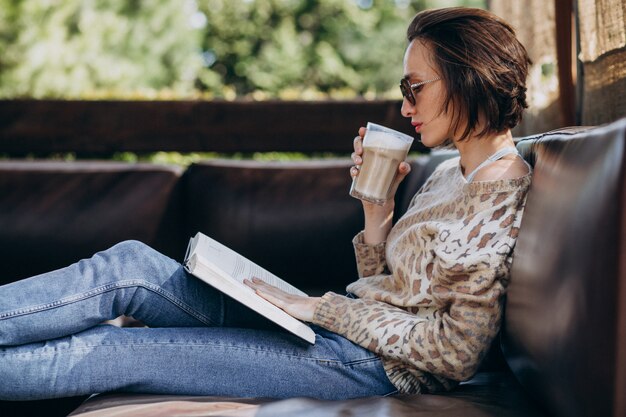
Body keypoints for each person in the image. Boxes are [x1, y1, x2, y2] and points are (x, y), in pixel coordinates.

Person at [0, 7, 532, 400]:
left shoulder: (499, 192)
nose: (403, 105)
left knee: (114, 351)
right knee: (131, 267)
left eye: (414, 87)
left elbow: (458, 353)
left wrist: (320, 308)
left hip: (367, 367)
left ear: (467, 79)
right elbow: (390, 288)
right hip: (338, 332)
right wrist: (378, 210)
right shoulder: (450, 172)